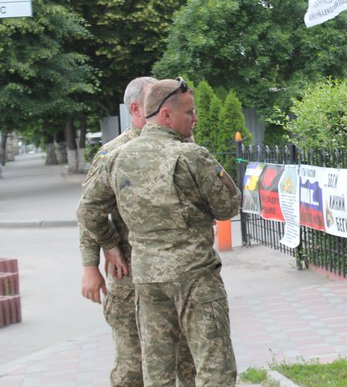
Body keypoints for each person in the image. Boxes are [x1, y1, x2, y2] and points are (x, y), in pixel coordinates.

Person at [77, 78, 240, 386]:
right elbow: (228, 206)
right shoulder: (190, 155)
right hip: (190, 276)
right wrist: (102, 251)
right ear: (165, 115)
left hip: (146, 277)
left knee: (159, 369)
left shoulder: (117, 159)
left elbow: (87, 211)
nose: (195, 119)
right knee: (211, 366)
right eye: (189, 112)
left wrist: (109, 240)